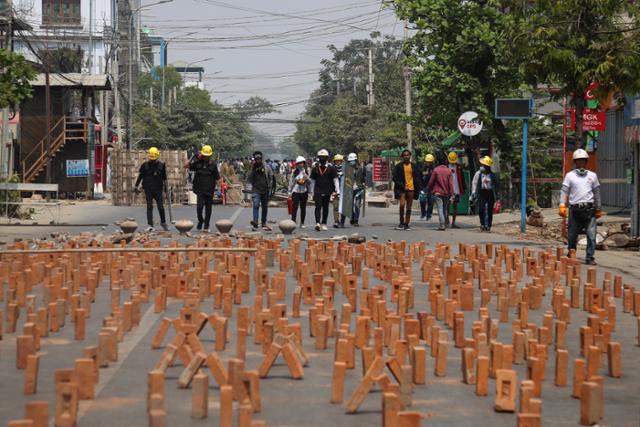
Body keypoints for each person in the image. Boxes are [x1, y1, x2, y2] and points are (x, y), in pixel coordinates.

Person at [559, 149, 602, 265]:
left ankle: (590, 257)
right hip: (574, 210)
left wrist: (599, 207)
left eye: (583, 161)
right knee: (572, 235)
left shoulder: (592, 176)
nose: (581, 163)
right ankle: (571, 253)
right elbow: (564, 191)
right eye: (578, 161)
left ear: (586, 162)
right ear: (575, 162)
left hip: (589, 210)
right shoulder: (570, 176)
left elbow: (597, 192)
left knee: (591, 235)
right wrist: (562, 205)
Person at [185, 144, 220, 232]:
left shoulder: (213, 165)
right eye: (205, 156)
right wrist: (193, 157)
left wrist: (219, 188)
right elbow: (186, 166)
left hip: (210, 190)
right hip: (199, 189)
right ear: (202, 155)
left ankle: (206, 226)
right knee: (199, 207)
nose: (206, 158)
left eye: (208, 156)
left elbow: (217, 177)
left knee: (208, 208)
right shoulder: (198, 163)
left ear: (210, 156)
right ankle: (200, 220)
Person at [134, 147, 168, 231]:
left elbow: (164, 178)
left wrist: (166, 188)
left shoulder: (161, 165)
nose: (152, 161)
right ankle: (150, 225)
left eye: (154, 159)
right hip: (148, 189)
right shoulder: (145, 165)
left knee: (161, 207)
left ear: (157, 156)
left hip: (158, 189)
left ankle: (163, 222)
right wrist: (136, 186)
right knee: (149, 206)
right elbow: (140, 176)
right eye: (151, 159)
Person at [310, 149, 339, 231]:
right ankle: (317, 223)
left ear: (327, 158)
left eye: (323, 157)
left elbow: (335, 180)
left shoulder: (331, 168)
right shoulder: (315, 168)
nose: (322, 159)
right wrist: (311, 192)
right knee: (318, 207)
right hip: (317, 190)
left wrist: (337, 190)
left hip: (327, 190)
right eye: (320, 157)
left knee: (325, 207)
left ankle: (324, 223)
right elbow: (312, 181)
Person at [392, 149, 422, 230]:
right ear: (402, 156)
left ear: (410, 156)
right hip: (402, 189)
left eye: (407, 155)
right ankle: (401, 223)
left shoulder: (414, 166)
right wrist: (402, 185)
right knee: (402, 205)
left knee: (409, 208)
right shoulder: (398, 166)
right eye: (404, 155)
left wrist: (420, 188)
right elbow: (394, 178)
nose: (406, 156)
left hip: (411, 189)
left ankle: (406, 224)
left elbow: (418, 177)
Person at [471, 156, 501, 232]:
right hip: (482, 193)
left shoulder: (493, 175)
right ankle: (482, 224)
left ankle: (488, 226)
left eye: (485, 165)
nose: (483, 166)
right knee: (481, 209)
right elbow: (477, 184)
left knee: (489, 210)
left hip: (490, 193)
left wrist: (497, 196)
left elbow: (497, 186)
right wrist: (475, 194)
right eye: (483, 165)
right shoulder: (480, 174)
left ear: (488, 166)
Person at [247, 151, 274, 231]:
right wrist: (252, 168)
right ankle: (255, 222)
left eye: (259, 159)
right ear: (255, 159)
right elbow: (249, 179)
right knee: (255, 205)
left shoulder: (266, 167)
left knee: (265, 207)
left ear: (261, 158)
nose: (258, 160)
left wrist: (270, 186)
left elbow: (271, 176)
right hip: (256, 190)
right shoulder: (252, 167)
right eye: (256, 159)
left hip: (265, 189)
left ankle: (263, 222)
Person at [428, 152, 454, 231]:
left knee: (440, 208)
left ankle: (442, 224)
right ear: (446, 161)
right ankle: (445, 223)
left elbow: (431, 182)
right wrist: (452, 194)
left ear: (438, 161)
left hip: (437, 193)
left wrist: (429, 188)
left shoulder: (436, 170)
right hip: (446, 193)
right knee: (445, 209)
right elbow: (451, 184)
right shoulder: (449, 171)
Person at [288, 155, 311, 228]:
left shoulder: (307, 171)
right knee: (295, 207)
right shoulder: (294, 172)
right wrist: (289, 192)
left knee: (303, 208)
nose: (301, 164)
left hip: (304, 191)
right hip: (296, 191)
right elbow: (291, 182)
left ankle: (302, 222)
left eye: (302, 163)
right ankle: (293, 222)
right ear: (297, 164)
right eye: (299, 163)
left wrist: (310, 192)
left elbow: (310, 183)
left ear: (304, 163)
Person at [447, 151, 466, 228]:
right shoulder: (446, 167)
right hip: (448, 190)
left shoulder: (459, 167)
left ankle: (453, 223)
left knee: (455, 207)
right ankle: (447, 221)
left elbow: (462, 178)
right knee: (447, 206)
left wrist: (464, 188)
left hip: (456, 190)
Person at [348, 153, 366, 226]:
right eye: (350, 161)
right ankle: (352, 217)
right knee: (350, 205)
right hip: (349, 188)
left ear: (355, 160)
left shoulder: (361, 168)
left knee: (357, 205)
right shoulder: (347, 169)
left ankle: (356, 220)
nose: (351, 162)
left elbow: (364, 177)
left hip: (358, 188)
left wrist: (364, 184)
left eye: (352, 161)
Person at [419, 154, 435, 221]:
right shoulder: (423, 167)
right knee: (422, 200)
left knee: (430, 201)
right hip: (423, 187)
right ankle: (423, 214)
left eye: (430, 162)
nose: (428, 163)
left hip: (431, 187)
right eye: (427, 161)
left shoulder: (434, 169)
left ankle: (429, 215)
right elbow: (420, 174)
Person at [332, 154, 346, 228]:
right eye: (337, 161)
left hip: (344, 191)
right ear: (334, 161)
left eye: (340, 161)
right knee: (336, 207)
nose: (338, 162)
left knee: (344, 208)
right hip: (335, 191)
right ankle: (336, 221)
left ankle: (342, 221)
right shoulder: (332, 169)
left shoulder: (346, 169)